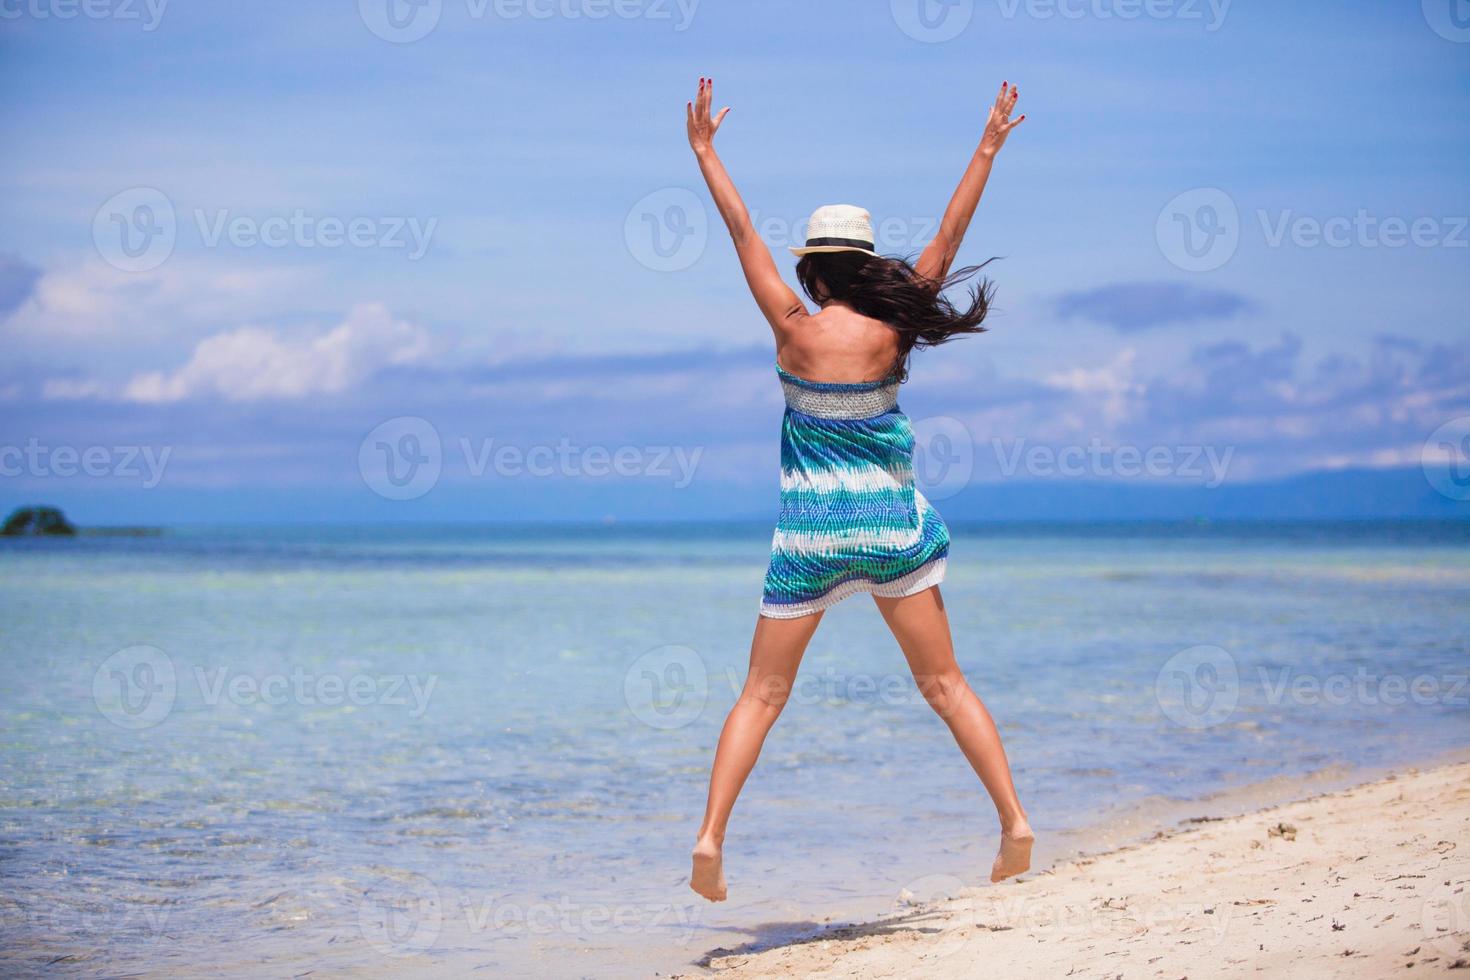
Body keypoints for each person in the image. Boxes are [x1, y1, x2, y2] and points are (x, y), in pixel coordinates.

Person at [684, 77, 1032, 902]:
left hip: (811, 537)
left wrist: (704, 151)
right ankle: (1014, 821)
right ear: (869, 266)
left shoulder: (792, 328)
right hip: (890, 529)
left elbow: (740, 236)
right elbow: (951, 233)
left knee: (762, 695)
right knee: (945, 686)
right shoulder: (896, 324)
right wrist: (987, 146)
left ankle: (709, 839)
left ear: (811, 272)